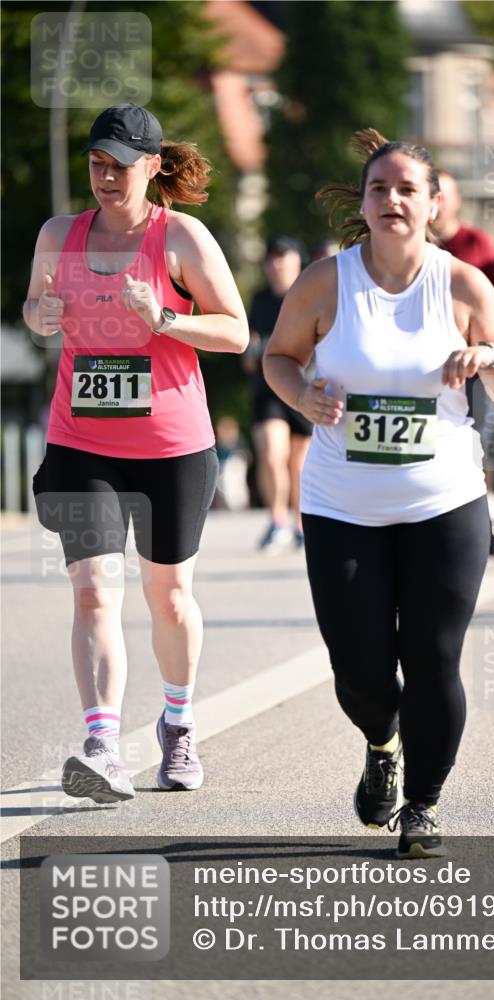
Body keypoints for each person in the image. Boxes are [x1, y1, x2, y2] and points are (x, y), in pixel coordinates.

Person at [263, 129, 494, 857]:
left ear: (434, 205)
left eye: (407, 189)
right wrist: (303, 397)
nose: (391, 200)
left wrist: (487, 359)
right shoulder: (326, 282)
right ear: (364, 201)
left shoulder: (462, 285)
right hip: (340, 505)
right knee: (360, 668)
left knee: (433, 656)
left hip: (441, 503)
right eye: (378, 188)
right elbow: (278, 358)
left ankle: (424, 803)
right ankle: (382, 743)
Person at [24, 104, 248, 802]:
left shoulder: (180, 237)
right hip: (80, 439)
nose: (105, 176)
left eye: (119, 165)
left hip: (170, 446)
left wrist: (167, 319)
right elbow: (34, 307)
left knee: (169, 597)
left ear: (153, 168)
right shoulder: (60, 234)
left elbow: (237, 332)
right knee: (93, 588)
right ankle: (101, 745)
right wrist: (43, 316)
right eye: (96, 163)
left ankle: (177, 725)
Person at [431, 170, 494, 555]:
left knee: (479, 442)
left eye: (446, 194)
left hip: (475, 362)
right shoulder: (413, 245)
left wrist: (482, 346)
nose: (440, 202)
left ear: (456, 200)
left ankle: (486, 507)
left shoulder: (476, 243)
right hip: (431, 368)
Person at [241, 235, 312, 551]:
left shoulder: (313, 294)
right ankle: (277, 519)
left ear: (299, 262)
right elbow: (250, 340)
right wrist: (249, 353)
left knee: (299, 463)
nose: (278, 263)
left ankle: (300, 523)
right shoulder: (259, 299)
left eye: (285, 257)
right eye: (272, 257)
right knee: (271, 451)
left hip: (307, 389)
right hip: (268, 389)